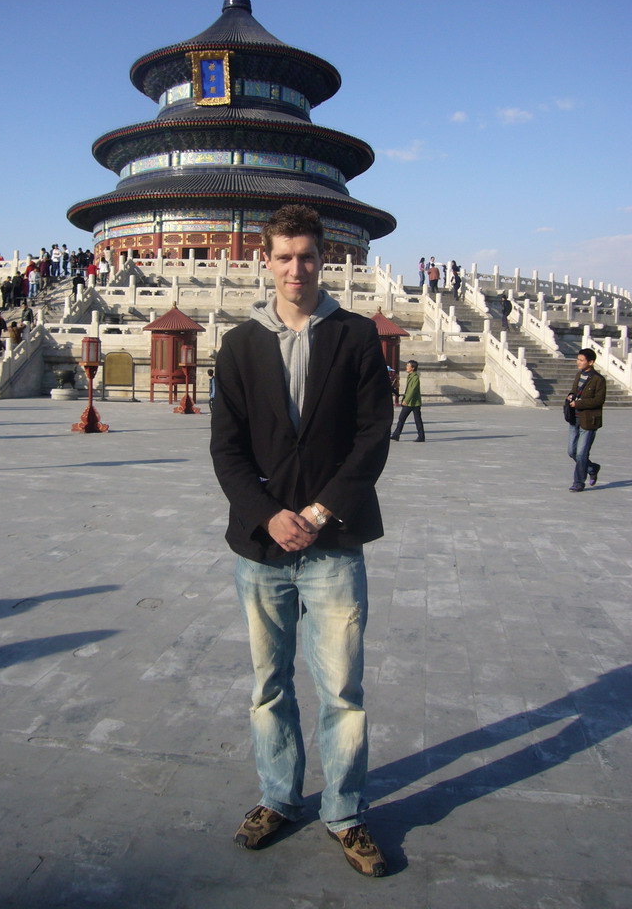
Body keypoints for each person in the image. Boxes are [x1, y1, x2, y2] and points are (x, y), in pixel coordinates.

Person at [210, 204, 392, 878]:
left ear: (324, 260)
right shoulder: (239, 345)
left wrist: (316, 513)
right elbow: (225, 450)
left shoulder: (354, 337)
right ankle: (278, 797)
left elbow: (373, 439)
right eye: (283, 257)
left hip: (334, 541)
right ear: (266, 261)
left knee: (342, 687)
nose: (296, 268)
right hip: (260, 549)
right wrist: (267, 514)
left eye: (307, 256)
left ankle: (345, 811)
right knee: (269, 683)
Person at [565, 348, 606, 492]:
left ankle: (578, 482)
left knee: (582, 453)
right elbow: (575, 391)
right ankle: (591, 468)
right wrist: (571, 396)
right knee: (572, 451)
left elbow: (599, 401)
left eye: (581, 360)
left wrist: (579, 403)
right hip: (574, 418)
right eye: (578, 359)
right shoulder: (579, 375)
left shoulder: (598, 380)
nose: (578, 362)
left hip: (589, 420)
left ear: (591, 362)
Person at [390, 359, 425, 441]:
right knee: (402, 419)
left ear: (413, 368)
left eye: (408, 366)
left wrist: (406, 400)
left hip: (413, 403)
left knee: (415, 420)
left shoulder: (415, 377)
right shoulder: (410, 376)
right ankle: (396, 435)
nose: (406, 367)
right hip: (411, 402)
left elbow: (412, 390)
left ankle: (421, 436)